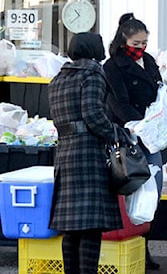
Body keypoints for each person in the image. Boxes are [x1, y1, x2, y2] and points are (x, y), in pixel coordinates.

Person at [48, 32, 124, 274]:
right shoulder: (92, 75)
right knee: (91, 226)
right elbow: (93, 114)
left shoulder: (59, 78)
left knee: (71, 226)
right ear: (95, 50)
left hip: (65, 153)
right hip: (88, 154)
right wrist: (116, 133)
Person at [103, 13, 163, 270]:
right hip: (128, 134)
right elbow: (118, 101)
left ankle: (144, 244)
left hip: (151, 133)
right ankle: (130, 243)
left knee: (153, 191)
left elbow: (158, 84)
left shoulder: (147, 60)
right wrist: (135, 125)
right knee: (130, 190)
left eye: (144, 43)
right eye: (136, 43)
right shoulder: (112, 66)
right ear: (124, 39)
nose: (141, 48)